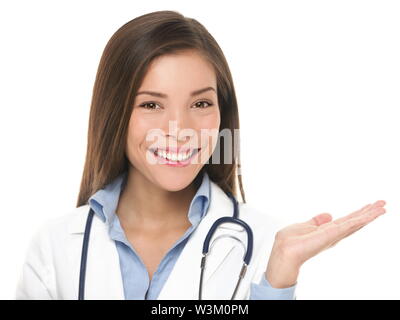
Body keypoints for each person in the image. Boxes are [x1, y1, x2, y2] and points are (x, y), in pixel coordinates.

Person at [15, 10, 386, 300]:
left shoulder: (266, 245)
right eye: (151, 105)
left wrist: (277, 281)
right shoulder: (54, 246)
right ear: (115, 113)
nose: (180, 129)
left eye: (201, 102)